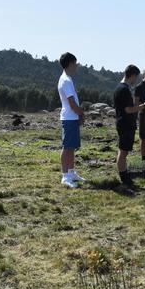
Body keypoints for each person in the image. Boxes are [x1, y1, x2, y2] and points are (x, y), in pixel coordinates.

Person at [113, 65, 145, 187]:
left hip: (126, 124)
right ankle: (124, 177)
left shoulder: (123, 88)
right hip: (125, 124)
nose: (136, 80)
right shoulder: (123, 89)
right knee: (123, 151)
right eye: (136, 77)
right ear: (132, 75)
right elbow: (128, 109)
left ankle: (124, 174)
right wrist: (143, 106)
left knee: (124, 151)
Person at [57, 52, 86, 189]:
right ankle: (65, 176)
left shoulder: (68, 79)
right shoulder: (66, 81)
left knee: (72, 146)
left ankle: (71, 172)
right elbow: (72, 103)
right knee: (67, 147)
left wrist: (78, 115)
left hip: (72, 117)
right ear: (70, 64)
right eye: (75, 63)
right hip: (69, 117)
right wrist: (81, 114)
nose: (77, 66)